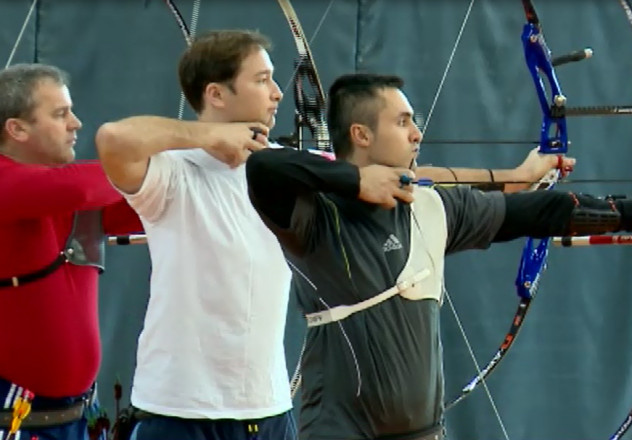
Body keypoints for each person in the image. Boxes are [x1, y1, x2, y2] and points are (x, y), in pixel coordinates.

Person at [95, 29, 569, 440]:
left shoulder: (295, 172)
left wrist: (508, 177)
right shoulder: (171, 175)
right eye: (262, 80)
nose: (278, 92)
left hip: (267, 407)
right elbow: (113, 139)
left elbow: (402, 177)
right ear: (216, 95)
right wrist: (209, 138)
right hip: (179, 409)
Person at [243, 72, 632, 440]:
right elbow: (263, 167)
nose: (417, 133)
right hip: (340, 431)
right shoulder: (316, 218)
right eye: (402, 122)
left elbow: (539, 210)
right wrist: (357, 183)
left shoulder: (434, 207)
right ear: (360, 133)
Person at [0, 63, 143, 440]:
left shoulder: (68, 188)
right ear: (16, 129)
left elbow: (150, 205)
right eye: (60, 114)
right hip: (15, 418)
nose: (76, 123)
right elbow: (81, 188)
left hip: (80, 416)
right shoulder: (8, 181)